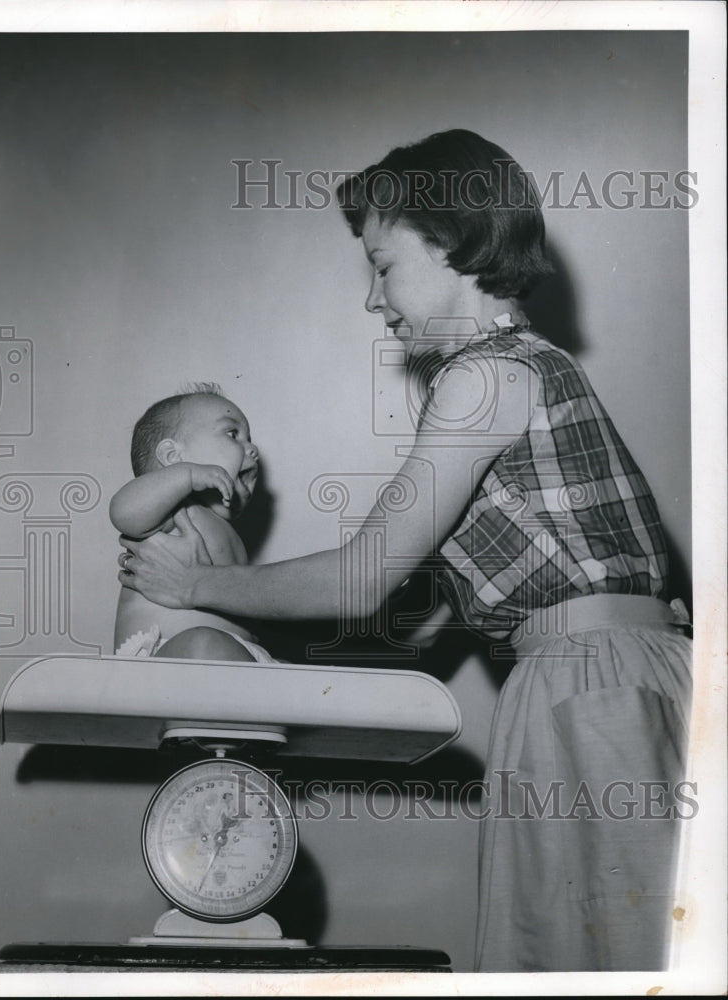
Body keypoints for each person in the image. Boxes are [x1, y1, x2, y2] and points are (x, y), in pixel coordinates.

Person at [117, 130, 692, 972]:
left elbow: (361, 580)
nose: (372, 299)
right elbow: (408, 618)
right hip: (595, 671)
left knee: (602, 960)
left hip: (591, 676)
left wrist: (200, 581)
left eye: (382, 266)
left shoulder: (484, 376)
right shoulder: (518, 370)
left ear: (453, 243)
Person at [111, 382, 273, 663]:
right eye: (233, 434)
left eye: (249, 438)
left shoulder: (229, 534)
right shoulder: (176, 512)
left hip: (237, 654)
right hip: (168, 653)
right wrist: (186, 477)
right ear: (174, 458)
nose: (252, 449)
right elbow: (123, 511)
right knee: (204, 643)